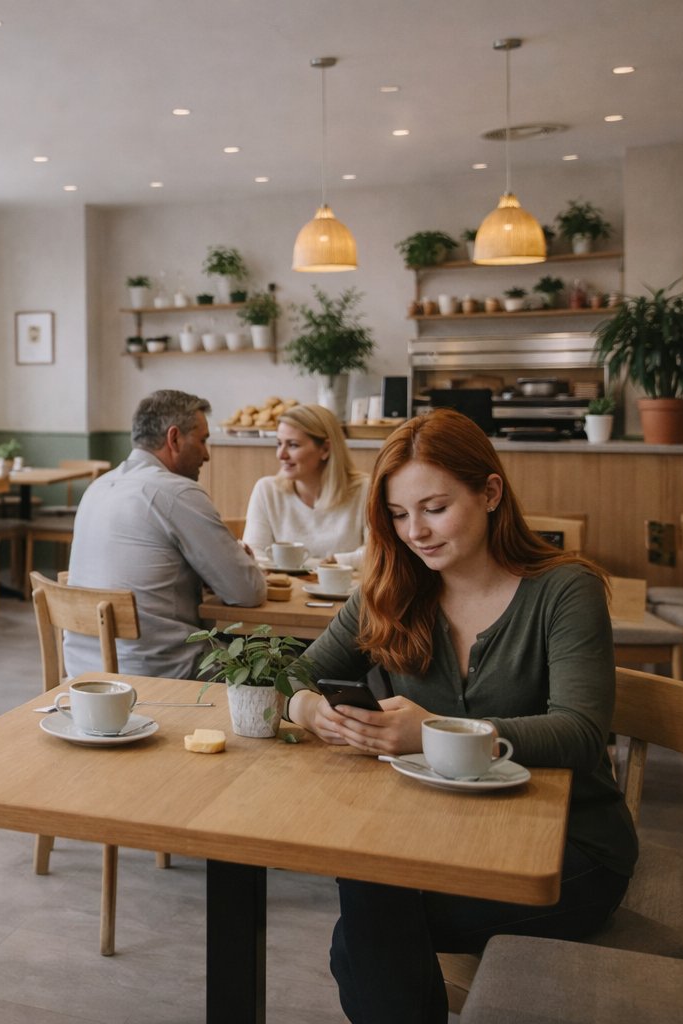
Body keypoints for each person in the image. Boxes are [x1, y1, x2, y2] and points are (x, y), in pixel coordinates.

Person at [285, 409, 636, 1024]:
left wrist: (434, 733)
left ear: (490, 492)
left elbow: (580, 734)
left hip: (568, 853)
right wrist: (309, 707)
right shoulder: (390, 591)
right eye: (398, 514)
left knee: (365, 928)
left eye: (435, 508)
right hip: (441, 837)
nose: (415, 532)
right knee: (368, 893)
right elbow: (283, 672)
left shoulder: (565, 590)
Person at [65, 389, 266, 678]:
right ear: (174, 438)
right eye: (202, 440)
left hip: (83, 674)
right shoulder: (178, 492)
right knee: (275, 664)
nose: (207, 454)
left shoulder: (97, 487)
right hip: (160, 673)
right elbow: (247, 592)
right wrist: (248, 564)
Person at [242, 403, 368, 562]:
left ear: (325, 449)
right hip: (283, 581)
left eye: (293, 445)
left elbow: (378, 553)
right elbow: (254, 555)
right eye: (279, 443)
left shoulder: (365, 490)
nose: (281, 455)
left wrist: (334, 561)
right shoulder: (266, 490)